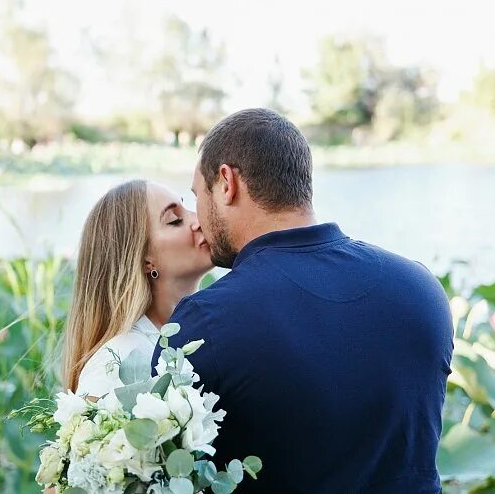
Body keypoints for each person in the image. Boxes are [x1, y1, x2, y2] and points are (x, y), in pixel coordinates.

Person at [152, 108, 454, 493]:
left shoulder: (204, 323)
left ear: (227, 183)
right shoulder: (422, 289)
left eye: (199, 195)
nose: (198, 219)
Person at [62, 179, 213, 399]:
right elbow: (89, 431)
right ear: (144, 260)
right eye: (175, 220)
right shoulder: (119, 360)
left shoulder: (200, 332)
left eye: (188, 206)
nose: (198, 220)